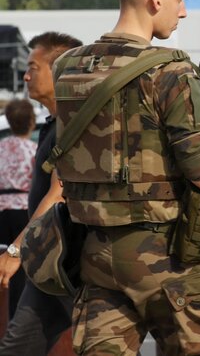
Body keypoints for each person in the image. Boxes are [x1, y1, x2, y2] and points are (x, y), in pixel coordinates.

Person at [51, 0, 200, 354]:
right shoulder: (171, 70)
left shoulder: (65, 67)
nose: (184, 12)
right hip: (167, 258)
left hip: (95, 254)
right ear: (156, 0)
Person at [0, 32, 81, 355]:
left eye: (34, 67)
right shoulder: (57, 123)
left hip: (66, 261)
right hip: (51, 258)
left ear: (60, 71)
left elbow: (57, 195)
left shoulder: (72, 123)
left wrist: (16, 252)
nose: (25, 74)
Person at [0, 99, 37, 319]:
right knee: (22, 273)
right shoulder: (34, 150)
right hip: (25, 213)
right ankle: (17, 318)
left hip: (1, 212)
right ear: (31, 122)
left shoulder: (1, 148)